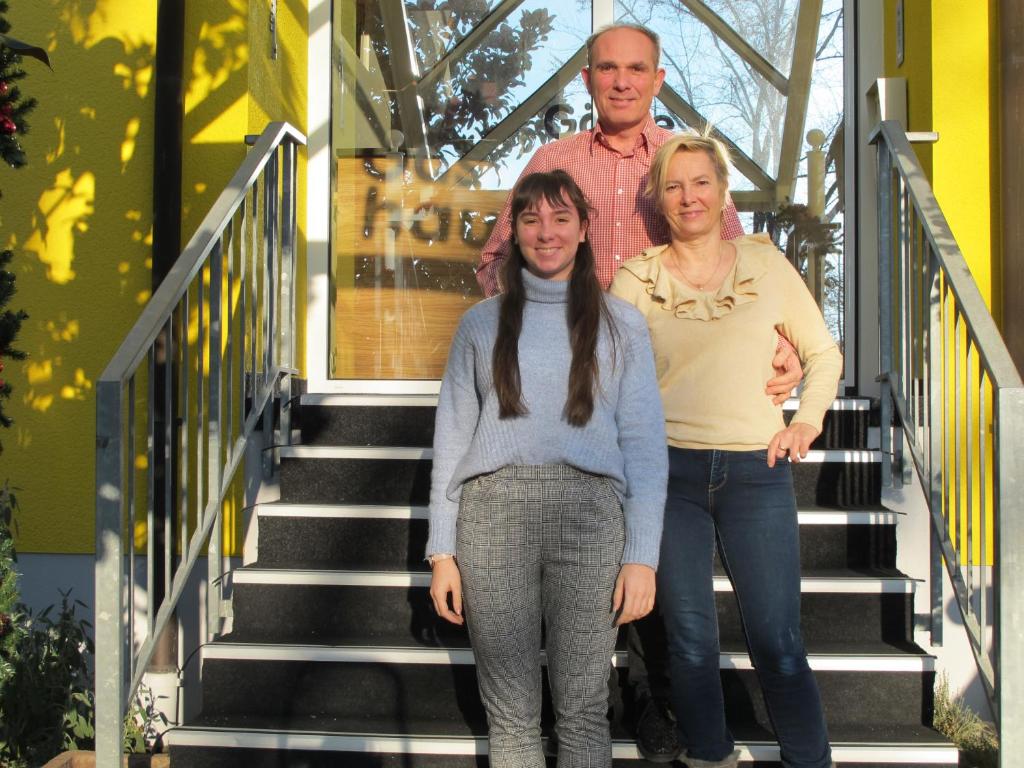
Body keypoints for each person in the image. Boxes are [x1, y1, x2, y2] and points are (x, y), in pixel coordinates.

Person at [475, 24, 804, 762]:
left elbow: (745, 274)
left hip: (673, 399)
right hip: (576, 396)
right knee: (584, 535)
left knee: (657, 547)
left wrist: (783, 343)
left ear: (658, 79)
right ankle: (580, 698)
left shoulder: (685, 165)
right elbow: (497, 258)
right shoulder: (553, 162)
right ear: (588, 79)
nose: (622, 81)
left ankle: (657, 701)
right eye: (607, 69)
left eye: (637, 70)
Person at [610, 131, 841, 768]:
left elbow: (823, 352)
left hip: (756, 471)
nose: (689, 197)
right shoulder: (636, 279)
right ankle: (709, 755)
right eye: (675, 185)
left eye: (701, 182)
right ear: (658, 198)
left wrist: (807, 420)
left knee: (777, 640)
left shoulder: (765, 265)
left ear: (723, 191)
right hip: (668, 476)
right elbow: (604, 378)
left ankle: (809, 760)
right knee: (688, 641)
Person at [427, 170, 669, 767]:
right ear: (515, 231)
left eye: (562, 218)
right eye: (531, 219)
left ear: (585, 230)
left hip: (590, 519)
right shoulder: (480, 325)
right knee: (509, 714)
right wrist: (441, 552)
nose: (546, 232)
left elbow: (644, 446)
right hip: (491, 519)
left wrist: (642, 556)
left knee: (584, 709)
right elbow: (453, 438)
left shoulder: (621, 325)